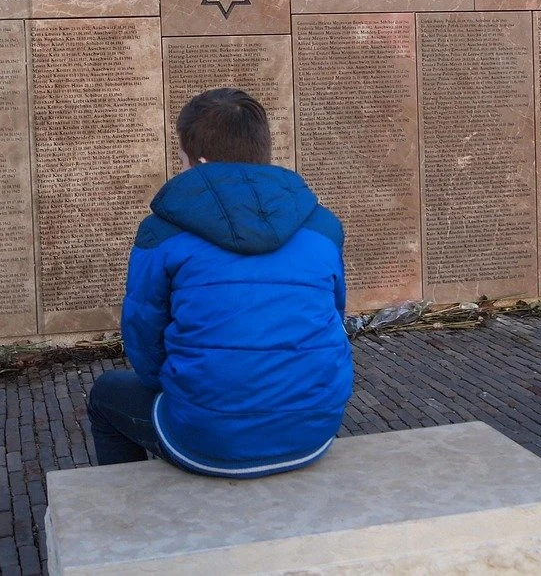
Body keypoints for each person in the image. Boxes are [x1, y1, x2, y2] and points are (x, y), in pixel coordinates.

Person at [87, 88, 353, 478]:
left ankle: (129, 518)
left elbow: (143, 333)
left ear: (200, 161)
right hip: (314, 428)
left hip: (205, 438)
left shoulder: (160, 234)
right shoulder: (324, 226)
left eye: (181, 159)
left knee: (105, 397)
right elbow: (334, 314)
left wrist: (176, 386)